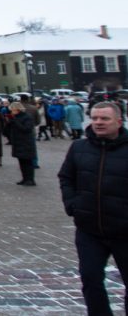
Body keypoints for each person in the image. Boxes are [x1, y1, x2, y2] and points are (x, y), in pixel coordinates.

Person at [58, 102, 128, 315]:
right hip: (89, 229)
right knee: (90, 279)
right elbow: (66, 177)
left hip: (124, 230)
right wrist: (73, 205)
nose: (98, 122)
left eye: (104, 119)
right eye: (95, 118)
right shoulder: (79, 147)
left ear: (119, 121)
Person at [4, 102, 36, 186]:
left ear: (17, 109)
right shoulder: (16, 117)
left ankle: (30, 179)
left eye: (12, 110)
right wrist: (9, 122)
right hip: (18, 142)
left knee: (28, 162)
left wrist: (14, 121)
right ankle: (25, 178)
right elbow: (7, 130)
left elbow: (26, 129)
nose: (11, 112)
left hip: (26, 142)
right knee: (22, 161)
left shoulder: (27, 117)